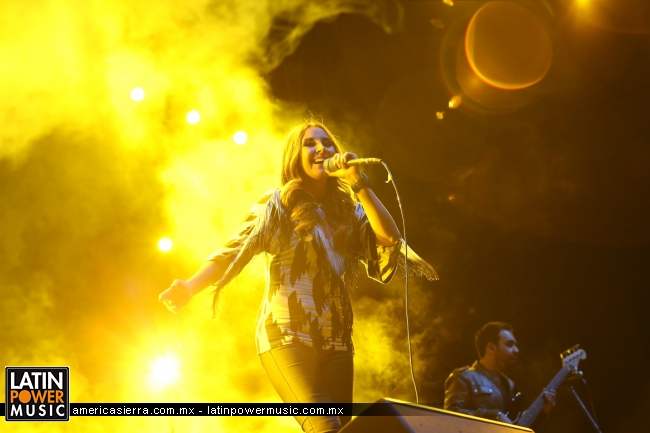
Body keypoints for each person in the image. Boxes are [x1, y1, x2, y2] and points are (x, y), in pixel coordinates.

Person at [159, 119, 438, 433]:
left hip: (337, 338)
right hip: (285, 334)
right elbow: (233, 251)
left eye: (327, 143)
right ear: (295, 156)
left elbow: (389, 238)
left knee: (343, 430)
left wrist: (358, 182)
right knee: (326, 426)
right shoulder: (277, 204)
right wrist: (190, 286)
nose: (321, 148)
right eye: (310, 143)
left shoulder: (349, 210)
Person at [444, 322, 556, 424]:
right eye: (509, 344)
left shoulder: (509, 384)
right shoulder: (463, 378)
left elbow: (515, 427)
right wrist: (494, 415)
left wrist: (543, 412)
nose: (516, 350)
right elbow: (451, 416)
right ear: (491, 348)